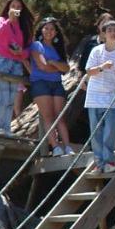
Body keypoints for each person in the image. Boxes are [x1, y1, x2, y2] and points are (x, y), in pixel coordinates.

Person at [83, 19, 115, 173]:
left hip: (112, 98)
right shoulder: (96, 51)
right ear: (104, 34)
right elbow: (89, 71)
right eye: (109, 30)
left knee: (110, 131)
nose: (112, 33)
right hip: (94, 97)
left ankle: (109, 161)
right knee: (95, 132)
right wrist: (102, 67)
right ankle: (99, 163)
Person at [28, 16, 74, 156]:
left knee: (60, 116)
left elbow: (66, 69)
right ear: (41, 30)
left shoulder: (58, 48)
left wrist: (53, 63)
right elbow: (43, 66)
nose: (49, 31)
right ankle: (55, 147)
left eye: (52, 29)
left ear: (56, 32)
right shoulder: (36, 45)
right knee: (48, 116)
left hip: (56, 84)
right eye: (46, 28)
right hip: (40, 83)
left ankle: (67, 147)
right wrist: (57, 66)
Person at [0, 0, 34, 134]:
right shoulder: (1, 20)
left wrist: (22, 52)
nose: (16, 9)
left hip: (16, 64)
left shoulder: (22, 26)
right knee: (3, 97)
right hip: (3, 61)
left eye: (19, 7)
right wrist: (9, 20)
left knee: (11, 99)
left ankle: (6, 128)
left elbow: (27, 49)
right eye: (13, 6)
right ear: (8, 7)